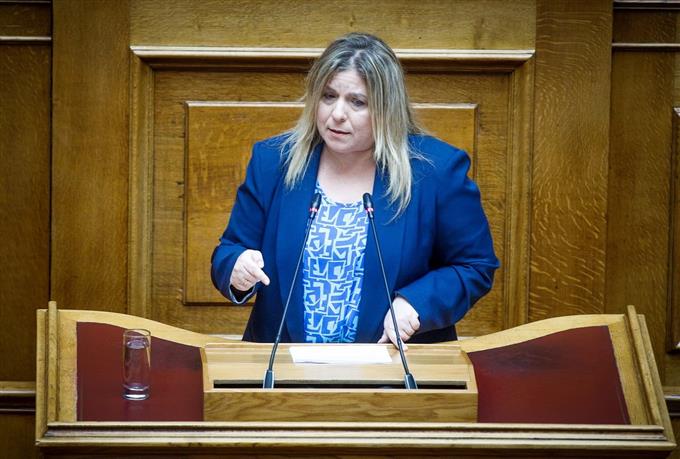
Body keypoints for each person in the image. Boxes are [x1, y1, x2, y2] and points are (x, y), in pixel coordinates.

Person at [211, 32, 498, 347]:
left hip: (391, 367)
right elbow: (230, 250)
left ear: (387, 109)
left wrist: (415, 303)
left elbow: (475, 267)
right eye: (328, 96)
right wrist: (236, 267)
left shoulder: (436, 171)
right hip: (283, 365)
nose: (337, 114)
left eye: (357, 102)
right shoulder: (273, 161)